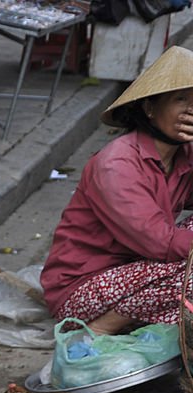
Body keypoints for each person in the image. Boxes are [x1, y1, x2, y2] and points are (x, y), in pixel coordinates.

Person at [40, 45, 193, 334]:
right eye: (181, 99)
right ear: (149, 108)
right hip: (83, 287)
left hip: (143, 272)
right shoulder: (117, 163)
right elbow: (160, 244)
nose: (190, 109)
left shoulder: (184, 155)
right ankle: (102, 328)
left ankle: (153, 319)